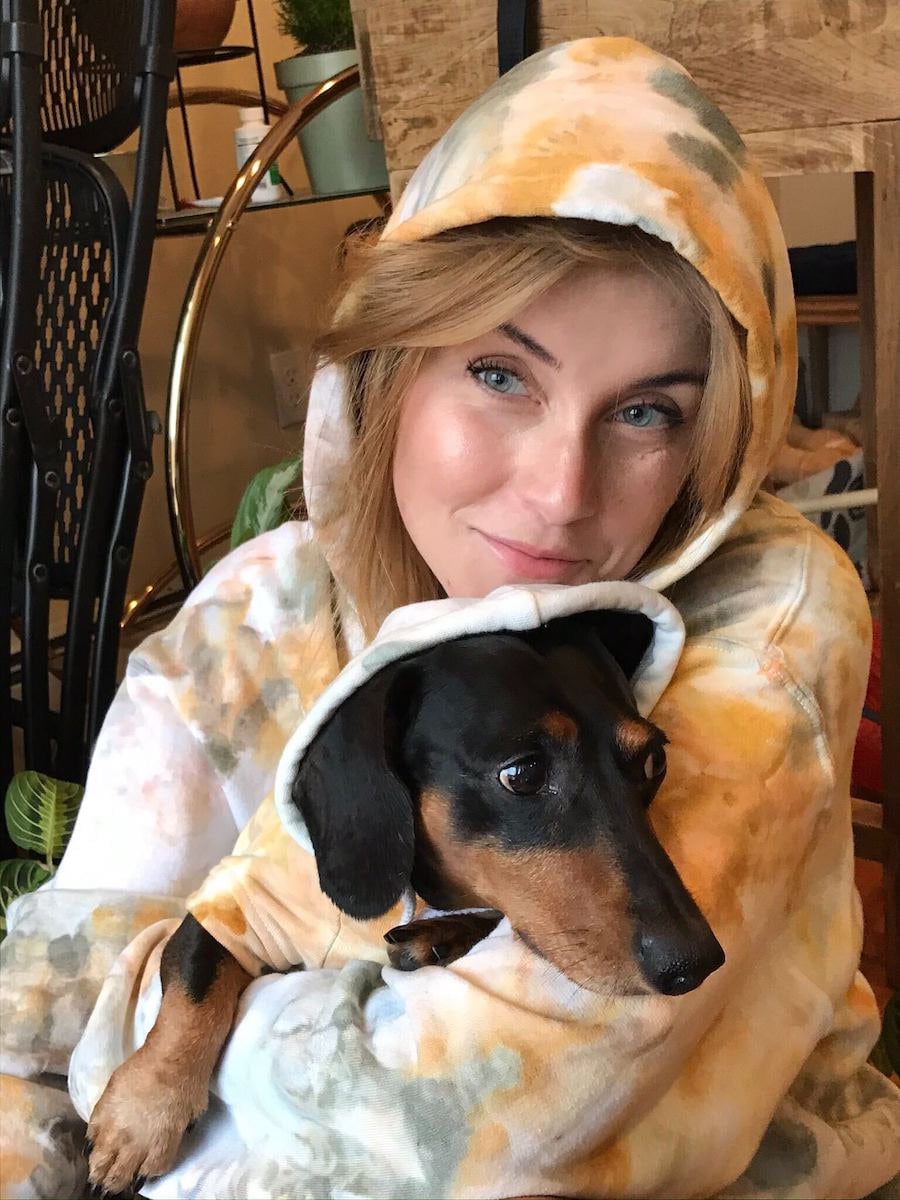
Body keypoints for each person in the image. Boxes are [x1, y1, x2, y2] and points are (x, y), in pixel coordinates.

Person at [1, 34, 898, 1200]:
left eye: (644, 412)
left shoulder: (770, 619)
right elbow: (33, 1031)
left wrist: (180, 1030)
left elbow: (472, 1126)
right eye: (499, 373)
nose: (559, 493)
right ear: (391, 364)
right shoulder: (249, 616)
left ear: (715, 435)